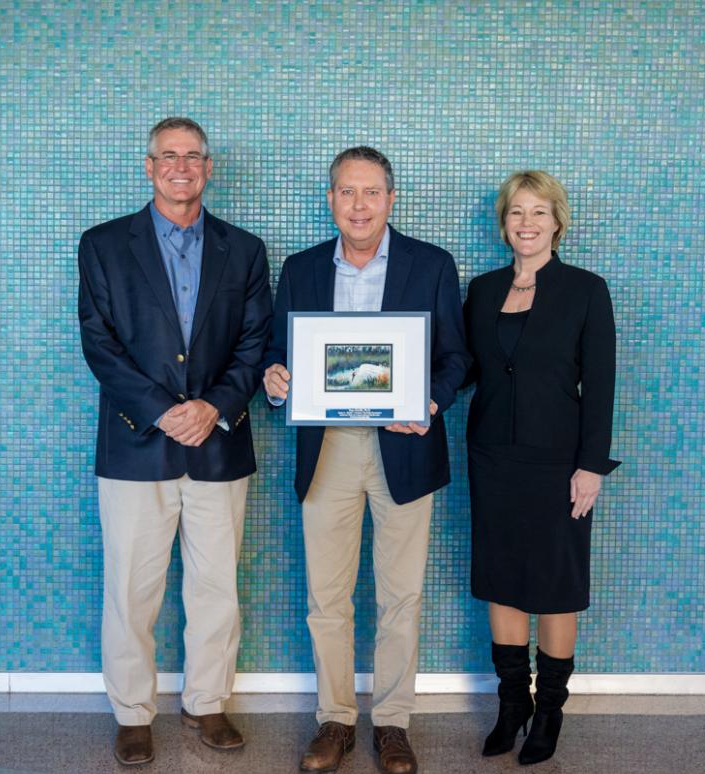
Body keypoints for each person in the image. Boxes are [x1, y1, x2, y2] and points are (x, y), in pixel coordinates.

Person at [262, 147, 469, 774]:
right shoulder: (298, 270)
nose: (358, 205)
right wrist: (275, 380)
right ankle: (335, 719)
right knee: (327, 596)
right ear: (331, 200)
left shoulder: (431, 264)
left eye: (371, 192)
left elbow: (457, 360)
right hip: (326, 450)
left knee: (401, 595)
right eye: (347, 192)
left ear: (391, 198)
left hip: (404, 445)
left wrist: (430, 400)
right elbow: (278, 355)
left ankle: (394, 723)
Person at [77, 117, 272, 766]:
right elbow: (99, 345)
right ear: (149, 164)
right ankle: (133, 713)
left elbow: (254, 343)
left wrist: (211, 406)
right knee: (131, 590)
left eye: (193, 156)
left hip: (219, 442)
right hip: (136, 445)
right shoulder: (103, 245)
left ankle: (206, 704)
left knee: (216, 587)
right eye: (168, 155)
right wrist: (165, 412)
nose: (180, 166)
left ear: (209, 168)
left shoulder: (244, 250)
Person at [462, 171, 619, 765]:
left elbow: (600, 386)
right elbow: (464, 367)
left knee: (554, 587)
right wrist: (410, 396)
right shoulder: (481, 289)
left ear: (558, 220)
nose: (527, 224)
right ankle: (512, 706)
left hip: (558, 464)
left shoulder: (585, 289)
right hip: (492, 457)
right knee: (501, 580)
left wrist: (590, 466)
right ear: (504, 223)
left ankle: (549, 710)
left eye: (539, 213)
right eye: (516, 213)